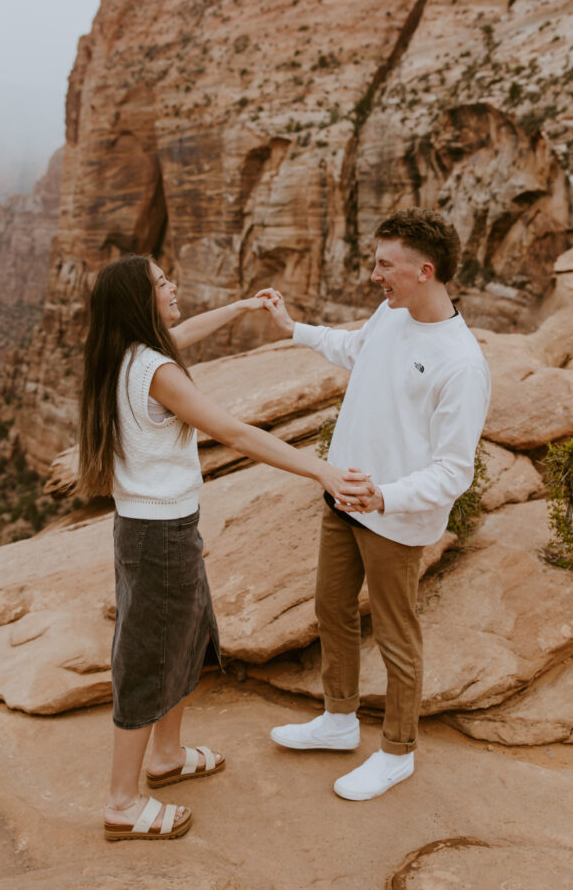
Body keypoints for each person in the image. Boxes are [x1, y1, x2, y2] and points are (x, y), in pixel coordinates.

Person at [76, 254, 373, 840]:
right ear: (141, 301)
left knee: (185, 637)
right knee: (150, 657)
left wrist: (239, 308)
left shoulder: (123, 350)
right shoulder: (156, 371)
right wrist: (325, 472)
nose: (173, 285)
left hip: (156, 529)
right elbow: (234, 432)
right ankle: (120, 804)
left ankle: (165, 757)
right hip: (158, 534)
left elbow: (180, 335)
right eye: (162, 283)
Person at [263, 209, 491, 801]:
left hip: (394, 515)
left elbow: (453, 471)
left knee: (396, 633)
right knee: (331, 608)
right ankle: (339, 720)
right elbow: (353, 348)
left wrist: (385, 495)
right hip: (343, 493)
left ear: (425, 269)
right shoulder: (391, 315)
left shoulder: (462, 364)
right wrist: (294, 329)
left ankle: (397, 752)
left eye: (384, 265)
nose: (374, 276)